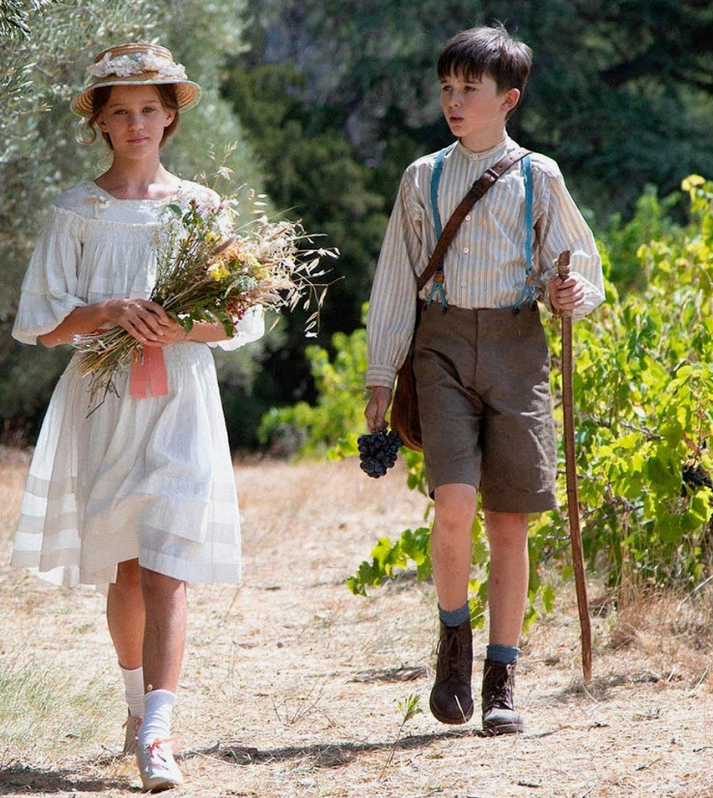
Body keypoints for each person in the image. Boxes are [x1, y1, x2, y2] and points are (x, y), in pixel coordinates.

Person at [10, 43, 261, 790]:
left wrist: (177, 328)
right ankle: (132, 704)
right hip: (105, 400)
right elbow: (41, 325)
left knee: (167, 564)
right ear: (100, 122)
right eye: (120, 111)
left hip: (181, 399)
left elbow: (240, 319)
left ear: (171, 117)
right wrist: (110, 311)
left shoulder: (203, 209)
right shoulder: (76, 212)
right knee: (124, 568)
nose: (136, 123)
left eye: (150, 108)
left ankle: (158, 733)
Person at [363, 25, 605, 735]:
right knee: (454, 502)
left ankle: (502, 681)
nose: (454, 101)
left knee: (508, 519)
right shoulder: (421, 177)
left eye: (470, 88)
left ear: (509, 99)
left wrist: (571, 293)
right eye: (447, 87)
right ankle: (452, 647)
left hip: (517, 350)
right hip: (438, 348)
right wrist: (381, 376)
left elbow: (578, 264)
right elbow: (395, 281)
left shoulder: (539, 176)